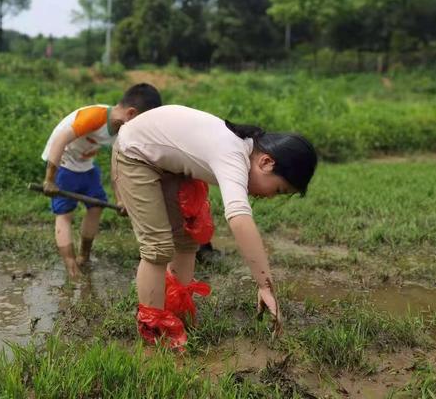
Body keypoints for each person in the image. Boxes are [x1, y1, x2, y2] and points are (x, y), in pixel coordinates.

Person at [112, 105, 317, 349]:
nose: (271, 196)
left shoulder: (241, 148)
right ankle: (155, 332)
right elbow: (239, 218)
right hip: (136, 154)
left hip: (172, 164)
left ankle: (180, 318)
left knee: (188, 240)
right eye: (279, 190)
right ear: (266, 162)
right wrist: (265, 285)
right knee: (157, 248)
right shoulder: (233, 154)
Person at [41, 83, 162, 279]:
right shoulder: (94, 116)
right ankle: (71, 265)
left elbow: (116, 168)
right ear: (131, 114)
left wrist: (120, 199)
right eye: (142, 122)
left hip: (86, 165)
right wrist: (49, 180)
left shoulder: (121, 130)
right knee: (64, 214)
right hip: (63, 164)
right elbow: (60, 140)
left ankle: (84, 256)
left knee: (96, 206)